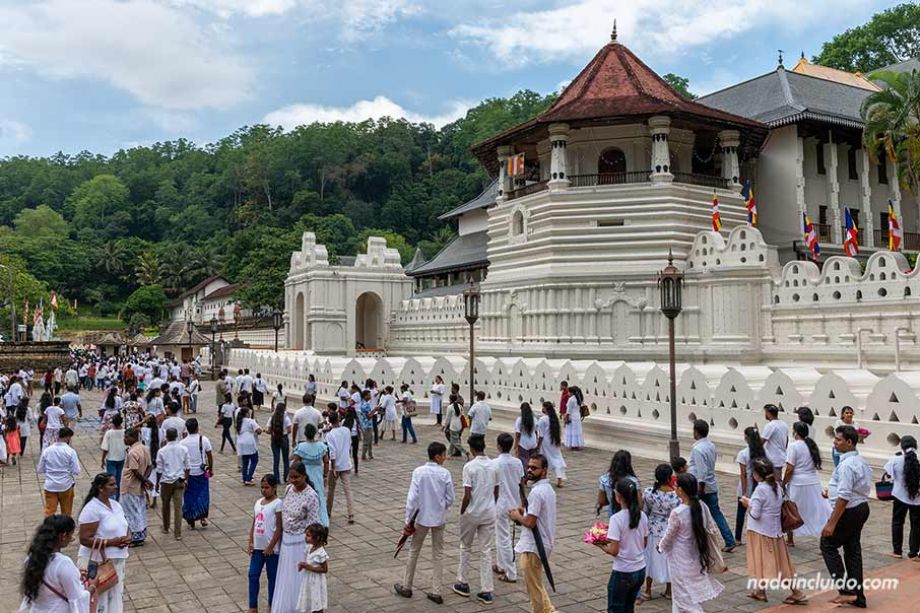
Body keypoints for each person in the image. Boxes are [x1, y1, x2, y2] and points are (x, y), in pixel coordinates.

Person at [394, 441, 455, 604]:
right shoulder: (445, 474)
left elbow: (412, 498)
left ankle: (407, 586)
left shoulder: (419, 472)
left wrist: (408, 520)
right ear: (437, 456)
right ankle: (437, 591)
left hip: (420, 518)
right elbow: (451, 498)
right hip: (439, 518)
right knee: (438, 553)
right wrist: (441, 507)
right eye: (443, 455)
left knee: (414, 550)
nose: (445, 457)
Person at [740, 458, 807, 604]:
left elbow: (755, 513)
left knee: (766, 562)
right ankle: (761, 591)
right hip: (774, 532)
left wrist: (747, 504)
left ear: (757, 475)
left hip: (760, 532)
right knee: (779, 562)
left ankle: (797, 592)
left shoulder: (760, 490)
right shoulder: (776, 486)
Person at [821, 424, 873, 608]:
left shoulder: (848, 465)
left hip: (849, 510)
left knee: (827, 544)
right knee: (852, 550)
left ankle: (846, 591)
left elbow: (844, 496)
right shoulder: (860, 461)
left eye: (838, 439)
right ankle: (857, 596)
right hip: (860, 508)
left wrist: (831, 523)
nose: (835, 442)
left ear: (849, 442)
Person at [657, 473, 725, 613]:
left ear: (681, 490)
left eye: (676, 486)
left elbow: (669, 536)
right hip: (695, 554)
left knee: (683, 599)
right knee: (680, 596)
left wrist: (660, 547)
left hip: (679, 558)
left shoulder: (678, 512)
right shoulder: (701, 506)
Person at [509, 454, 557, 613]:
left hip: (534, 546)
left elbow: (530, 522)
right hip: (542, 543)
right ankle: (549, 610)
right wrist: (525, 511)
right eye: (529, 467)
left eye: (534, 468)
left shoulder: (538, 492)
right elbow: (536, 514)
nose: (529, 470)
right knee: (536, 583)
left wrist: (517, 516)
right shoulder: (546, 489)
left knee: (533, 589)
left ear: (544, 471)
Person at [453, 435, 498, 604]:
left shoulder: (469, 467)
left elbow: (467, 495)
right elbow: (496, 491)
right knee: (486, 550)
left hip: (472, 511)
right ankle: (486, 590)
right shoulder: (493, 466)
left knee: (465, 546)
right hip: (488, 511)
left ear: (471, 448)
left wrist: (462, 511)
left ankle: (463, 582)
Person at [77, 473, 131, 613]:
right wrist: (112, 542)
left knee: (115, 597)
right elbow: (84, 539)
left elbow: (124, 524)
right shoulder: (92, 509)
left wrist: (128, 536)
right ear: (101, 488)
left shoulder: (115, 505)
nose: (116, 487)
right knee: (100, 600)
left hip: (117, 560)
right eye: (111, 484)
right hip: (99, 562)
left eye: (115, 483)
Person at [271, 463, 321, 613]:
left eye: (296, 477)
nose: (292, 480)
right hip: (286, 542)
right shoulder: (288, 489)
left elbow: (314, 523)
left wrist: (313, 548)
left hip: (301, 543)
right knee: (287, 577)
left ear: (304, 476)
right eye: (290, 477)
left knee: (300, 577)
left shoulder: (311, 496)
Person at [595, 479, 649, 613]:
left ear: (617, 496)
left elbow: (614, 550)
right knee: (628, 607)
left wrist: (601, 545)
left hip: (623, 571)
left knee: (616, 608)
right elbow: (645, 543)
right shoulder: (642, 516)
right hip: (640, 569)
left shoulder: (616, 519)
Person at [20, 514, 91, 613]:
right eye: (71, 535)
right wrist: (91, 588)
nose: (71, 538)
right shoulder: (63, 564)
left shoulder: (31, 558)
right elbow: (77, 600)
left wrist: (75, 575)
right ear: (63, 536)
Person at [688, 419, 736, 552]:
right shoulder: (711, 445)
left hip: (701, 487)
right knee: (716, 513)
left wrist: (700, 489)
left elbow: (701, 471)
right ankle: (729, 540)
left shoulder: (698, 449)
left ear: (696, 432)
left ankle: (699, 542)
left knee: (696, 514)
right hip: (711, 484)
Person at [782, 421, 830, 546]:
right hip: (813, 482)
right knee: (817, 510)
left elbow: (790, 468)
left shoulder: (793, 446)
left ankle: (790, 539)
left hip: (798, 483)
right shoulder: (811, 445)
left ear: (796, 432)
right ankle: (823, 537)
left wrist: (783, 483)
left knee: (792, 509)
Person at [640, 464, 679, 602]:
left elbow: (645, 511)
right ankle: (669, 590)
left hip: (652, 529)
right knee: (668, 560)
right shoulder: (675, 496)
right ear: (669, 478)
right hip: (669, 530)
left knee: (650, 559)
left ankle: (648, 590)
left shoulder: (649, 492)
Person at [493, 432, 525, 584]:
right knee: (502, 536)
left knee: (503, 538)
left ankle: (511, 572)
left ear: (499, 446)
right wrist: (523, 501)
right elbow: (521, 483)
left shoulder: (495, 463)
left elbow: (494, 487)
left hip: (501, 503)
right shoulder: (517, 462)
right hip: (514, 501)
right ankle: (501, 565)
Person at [249, 474, 283, 613]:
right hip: (257, 547)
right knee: (253, 574)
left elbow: (279, 528)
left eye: (267, 487)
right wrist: (250, 541)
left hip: (271, 549)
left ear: (274, 488)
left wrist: (270, 546)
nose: (264, 490)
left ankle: (271, 604)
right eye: (262, 487)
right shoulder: (258, 503)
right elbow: (254, 522)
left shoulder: (278, 504)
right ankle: (252, 606)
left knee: (272, 577)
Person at [885, 435, 920, 559]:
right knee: (916, 524)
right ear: (915, 446)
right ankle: (914, 552)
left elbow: (888, 473)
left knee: (898, 522)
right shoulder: (918, 460)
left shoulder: (895, 459)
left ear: (902, 446)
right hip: (917, 498)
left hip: (899, 495)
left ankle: (897, 551)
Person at [155, 427, 191, 541]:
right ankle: (178, 533)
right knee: (178, 508)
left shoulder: (162, 451)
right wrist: (186, 479)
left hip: (166, 481)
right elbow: (188, 467)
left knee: (165, 505)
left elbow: (159, 470)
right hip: (179, 480)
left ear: (166, 437)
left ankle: (166, 527)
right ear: (176, 436)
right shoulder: (183, 449)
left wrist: (157, 483)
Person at [292, 423, 330, 527]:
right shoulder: (322, 446)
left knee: (303, 496)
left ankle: (305, 519)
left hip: (304, 474)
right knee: (319, 496)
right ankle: (322, 520)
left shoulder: (301, 447)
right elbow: (326, 461)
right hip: (318, 473)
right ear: (315, 433)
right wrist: (325, 475)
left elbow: (296, 463)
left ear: (305, 434)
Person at [38, 427, 81, 517]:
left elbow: (40, 469)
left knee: (50, 511)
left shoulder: (47, 450)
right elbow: (76, 470)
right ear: (68, 437)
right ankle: (65, 529)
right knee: (66, 511)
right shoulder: (70, 451)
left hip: (50, 485)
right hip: (66, 485)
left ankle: (49, 528)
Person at [121, 428, 152, 547]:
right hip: (138, 485)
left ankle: (135, 537)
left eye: (126, 437)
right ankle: (141, 534)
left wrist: (145, 480)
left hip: (130, 486)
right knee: (139, 510)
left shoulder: (133, 452)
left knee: (131, 512)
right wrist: (145, 479)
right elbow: (149, 466)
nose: (124, 439)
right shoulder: (144, 448)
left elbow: (134, 470)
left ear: (133, 438)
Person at [180, 418, 213, 530]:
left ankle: (190, 521)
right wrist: (211, 469)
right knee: (203, 495)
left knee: (189, 497)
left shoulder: (182, 443)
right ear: (197, 427)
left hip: (188, 474)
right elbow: (209, 455)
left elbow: (182, 460)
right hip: (202, 472)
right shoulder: (203, 440)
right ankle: (203, 517)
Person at [734, 426, 765, 545]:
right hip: (758, 486)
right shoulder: (761, 452)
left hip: (746, 486)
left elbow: (743, 475)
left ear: (746, 438)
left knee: (741, 514)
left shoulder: (743, 453)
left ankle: (737, 538)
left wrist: (744, 492)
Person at [324, 411, 354, 525]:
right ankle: (351, 514)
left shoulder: (330, 435)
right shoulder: (346, 430)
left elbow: (332, 452)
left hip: (335, 466)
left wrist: (334, 467)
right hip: (346, 463)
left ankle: (328, 511)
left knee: (331, 490)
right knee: (348, 490)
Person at [296, 523, 330, 613]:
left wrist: (310, 567)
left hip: (316, 581)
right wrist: (303, 565)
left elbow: (324, 569)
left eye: (308, 536)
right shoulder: (310, 547)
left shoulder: (320, 553)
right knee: (310, 601)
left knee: (316, 602)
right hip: (308, 579)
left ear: (317, 538)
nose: (305, 537)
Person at [599, 450, 640, 517]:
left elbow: (601, 501)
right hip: (631, 514)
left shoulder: (604, 479)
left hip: (613, 513)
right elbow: (639, 504)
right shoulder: (633, 481)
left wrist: (611, 500)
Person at [536, 402, 566, 488]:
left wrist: (538, 445)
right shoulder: (554, 418)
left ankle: (543, 476)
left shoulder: (542, 419)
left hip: (546, 442)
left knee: (544, 459)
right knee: (557, 458)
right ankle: (559, 478)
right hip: (554, 440)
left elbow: (540, 435)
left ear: (545, 408)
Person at [100, 414, 127, 501]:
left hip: (111, 459)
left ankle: (111, 498)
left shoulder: (109, 433)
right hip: (121, 458)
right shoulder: (124, 432)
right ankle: (118, 498)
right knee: (118, 479)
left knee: (111, 480)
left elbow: (105, 448)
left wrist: (102, 459)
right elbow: (127, 447)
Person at [266, 402, 292, 483]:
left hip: (274, 439)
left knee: (276, 459)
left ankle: (277, 478)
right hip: (284, 438)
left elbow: (269, 430)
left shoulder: (272, 418)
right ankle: (286, 477)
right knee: (286, 460)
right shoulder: (286, 418)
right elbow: (289, 430)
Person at [761, 405, 788, 480]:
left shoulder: (770, 425)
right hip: (781, 457)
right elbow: (787, 440)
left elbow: (762, 441)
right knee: (777, 479)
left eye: (765, 412)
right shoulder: (784, 424)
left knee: (773, 481)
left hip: (772, 459)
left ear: (769, 413)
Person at [237, 406, 263, 485]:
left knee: (245, 461)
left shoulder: (239, 421)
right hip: (249, 442)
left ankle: (244, 478)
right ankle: (249, 477)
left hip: (241, 442)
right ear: (246, 413)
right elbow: (258, 431)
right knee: (254, 460)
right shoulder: (251, 421)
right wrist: (261, 430)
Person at [514, 402, 538, 468]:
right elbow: (536, 431)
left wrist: (515, 445)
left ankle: (526, 474)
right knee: (532, 460)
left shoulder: (519, 420)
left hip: (523, 442)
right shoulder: (534, 419)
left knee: (523, 459)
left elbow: (517, 434)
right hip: (533, 441)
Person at [444, 394, 468, 459]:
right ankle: (449, 454)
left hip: (453, 426)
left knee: (455, 442)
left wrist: (445, 427)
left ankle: (465, 451)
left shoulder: (450, 407)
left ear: (450, 400)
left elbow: (447, 419)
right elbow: (463, 416)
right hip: (459, 425)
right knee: (453, 440)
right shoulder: (459, 406)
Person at [563, 385, 585, 450]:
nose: (568, 393)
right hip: (577, 416)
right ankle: (576, 444)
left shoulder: (571, 399)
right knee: (576, 430)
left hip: (571, 416)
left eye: (569, 392)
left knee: (571, 431)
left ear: (572, 392)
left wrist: (566, 418)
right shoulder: (579, 398)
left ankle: (573, 444)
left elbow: (568, 411)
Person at [358, 390, 376, 461]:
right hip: (367, 425)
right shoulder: (366, 405)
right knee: (367, 441)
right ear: (365, 396)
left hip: (365, 424)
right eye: (368, 395)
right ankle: (364, 455)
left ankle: (370, 454)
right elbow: (369, 416)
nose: (370, 396)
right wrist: (375, 410)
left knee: (369, 440)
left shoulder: (363, 403)